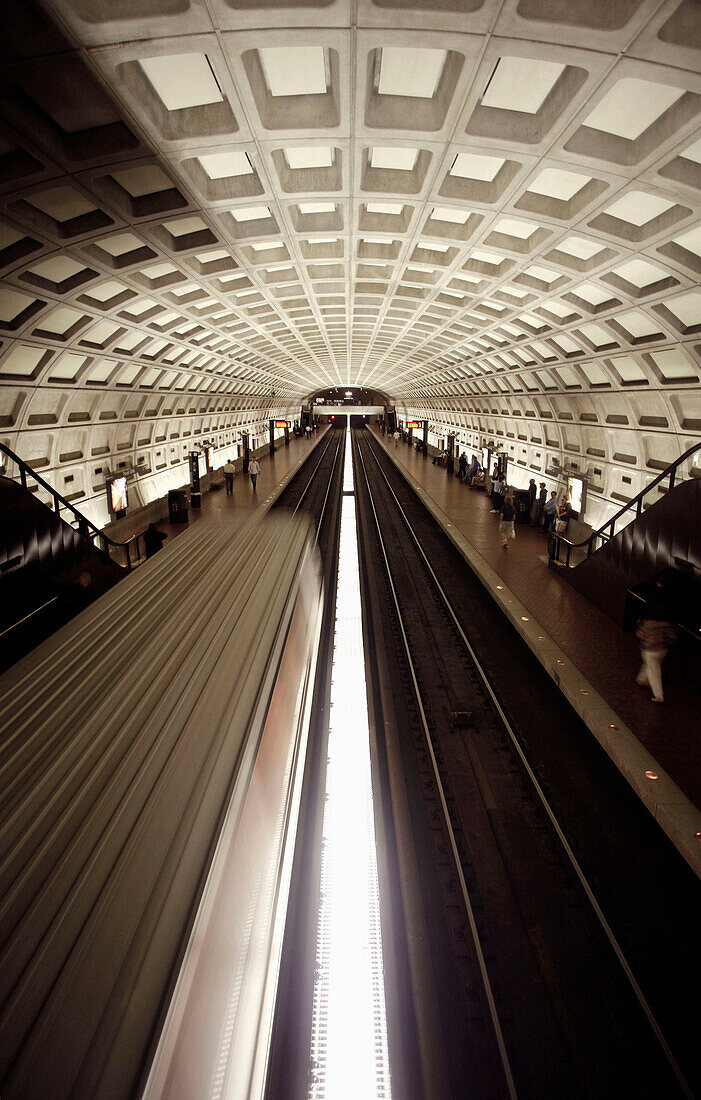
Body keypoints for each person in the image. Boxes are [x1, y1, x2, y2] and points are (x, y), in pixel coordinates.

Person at [636, 598, 676, 704]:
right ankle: (642, 679)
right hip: (662, 650)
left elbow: (640, 634)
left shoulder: (648, 623)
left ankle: (658, 695)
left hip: (650, 650)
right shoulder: (666, 624)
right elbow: (672, 637)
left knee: (653, 671)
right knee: (650, 665)